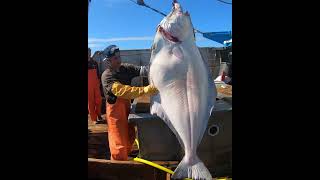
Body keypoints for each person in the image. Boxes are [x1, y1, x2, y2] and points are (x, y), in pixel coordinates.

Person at [101, 45, 157, 160]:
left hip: (126, 107)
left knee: (129, 135)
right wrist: (145, 90)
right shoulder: (107, 76)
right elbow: (122, 91)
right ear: (108, 61)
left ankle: (125, 156)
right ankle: (117, 165)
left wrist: (158, 66)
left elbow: (143, 70)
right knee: (118, 139)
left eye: (119, 57)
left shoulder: (125, 68)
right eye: (115, 58)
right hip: (115, 112)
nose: (119, 60)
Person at [88, 48, 104, 124]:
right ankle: (94, 119)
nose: (89, 53)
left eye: (89, 52)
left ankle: (99, 115)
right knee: (90, 102)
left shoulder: (94, 62)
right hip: (88, 86)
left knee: (99, 100)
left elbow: (98, 73)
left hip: (96, 84)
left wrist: (99, 82)